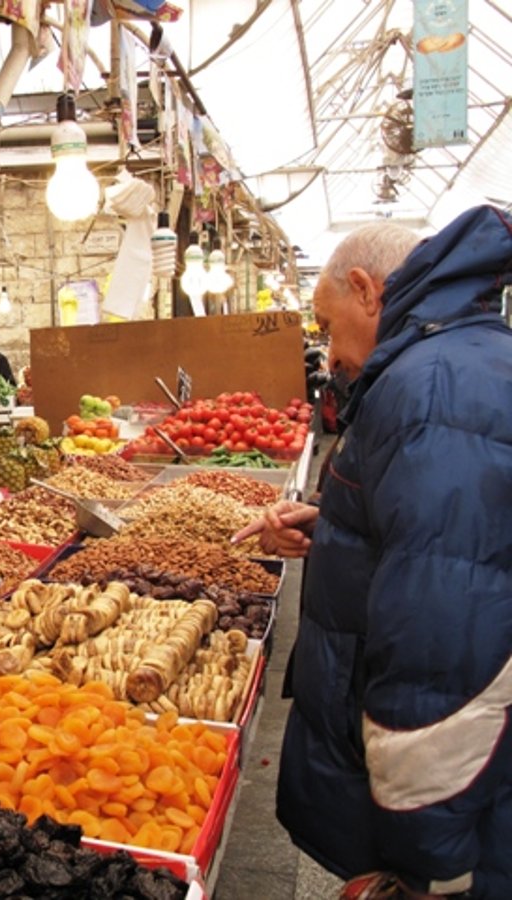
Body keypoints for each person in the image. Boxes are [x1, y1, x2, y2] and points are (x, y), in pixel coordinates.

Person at [234, 207, 512, 898]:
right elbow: (449, 540)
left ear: (366, 289)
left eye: (327, 328)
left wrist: (426, 862)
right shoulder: (461, 358)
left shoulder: (432, 387)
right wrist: (338, 526)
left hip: (452, 815)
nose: (328, 357)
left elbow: (444, 644)